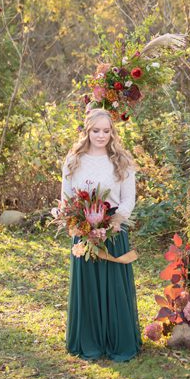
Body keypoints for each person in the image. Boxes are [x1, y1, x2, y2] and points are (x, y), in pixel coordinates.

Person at [60, 107, 142, 361]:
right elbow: (66, 196)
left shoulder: (121, 161)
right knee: (88, 287)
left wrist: (117, 221)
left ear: (112, 132)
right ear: (87, 131)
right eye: (96, 130)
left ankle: (117, 340)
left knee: (113, 287)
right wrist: (76, 222)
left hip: (113, 230)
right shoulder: (74, 160)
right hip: (83, 231)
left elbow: (128, 199)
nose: (101, 135)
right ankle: (89, 341)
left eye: (106, 131)